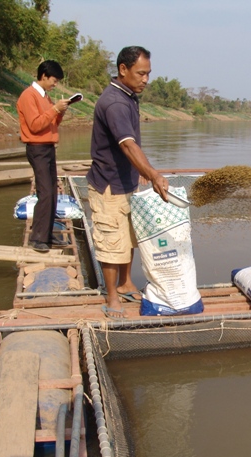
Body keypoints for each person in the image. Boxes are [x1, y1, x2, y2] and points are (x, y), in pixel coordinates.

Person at [86, 46, 170, 319]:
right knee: (112, 242)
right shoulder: (115, 103)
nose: (146, 79)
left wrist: (140, 171)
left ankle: (125, 282)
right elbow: (127, 144)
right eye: (141, 73)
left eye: (148, 74)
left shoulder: (129, 96)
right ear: (123, 69)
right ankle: (112, 296)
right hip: (108, 185)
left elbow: (131, 145)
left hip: (126, 181)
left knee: (128, 237)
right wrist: (154, 173)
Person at [16, 60, 71, 253]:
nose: (55, 84)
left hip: (48, 147)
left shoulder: (45, 97)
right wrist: (55, 109)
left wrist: (60, 111)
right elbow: (35, 125)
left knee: (52, 193)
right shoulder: (28, 96)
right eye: (54, 80)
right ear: (44, 76)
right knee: (45, 192)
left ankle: (47, 235)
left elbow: (51, 123)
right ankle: (37, 237)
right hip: (37, 148)